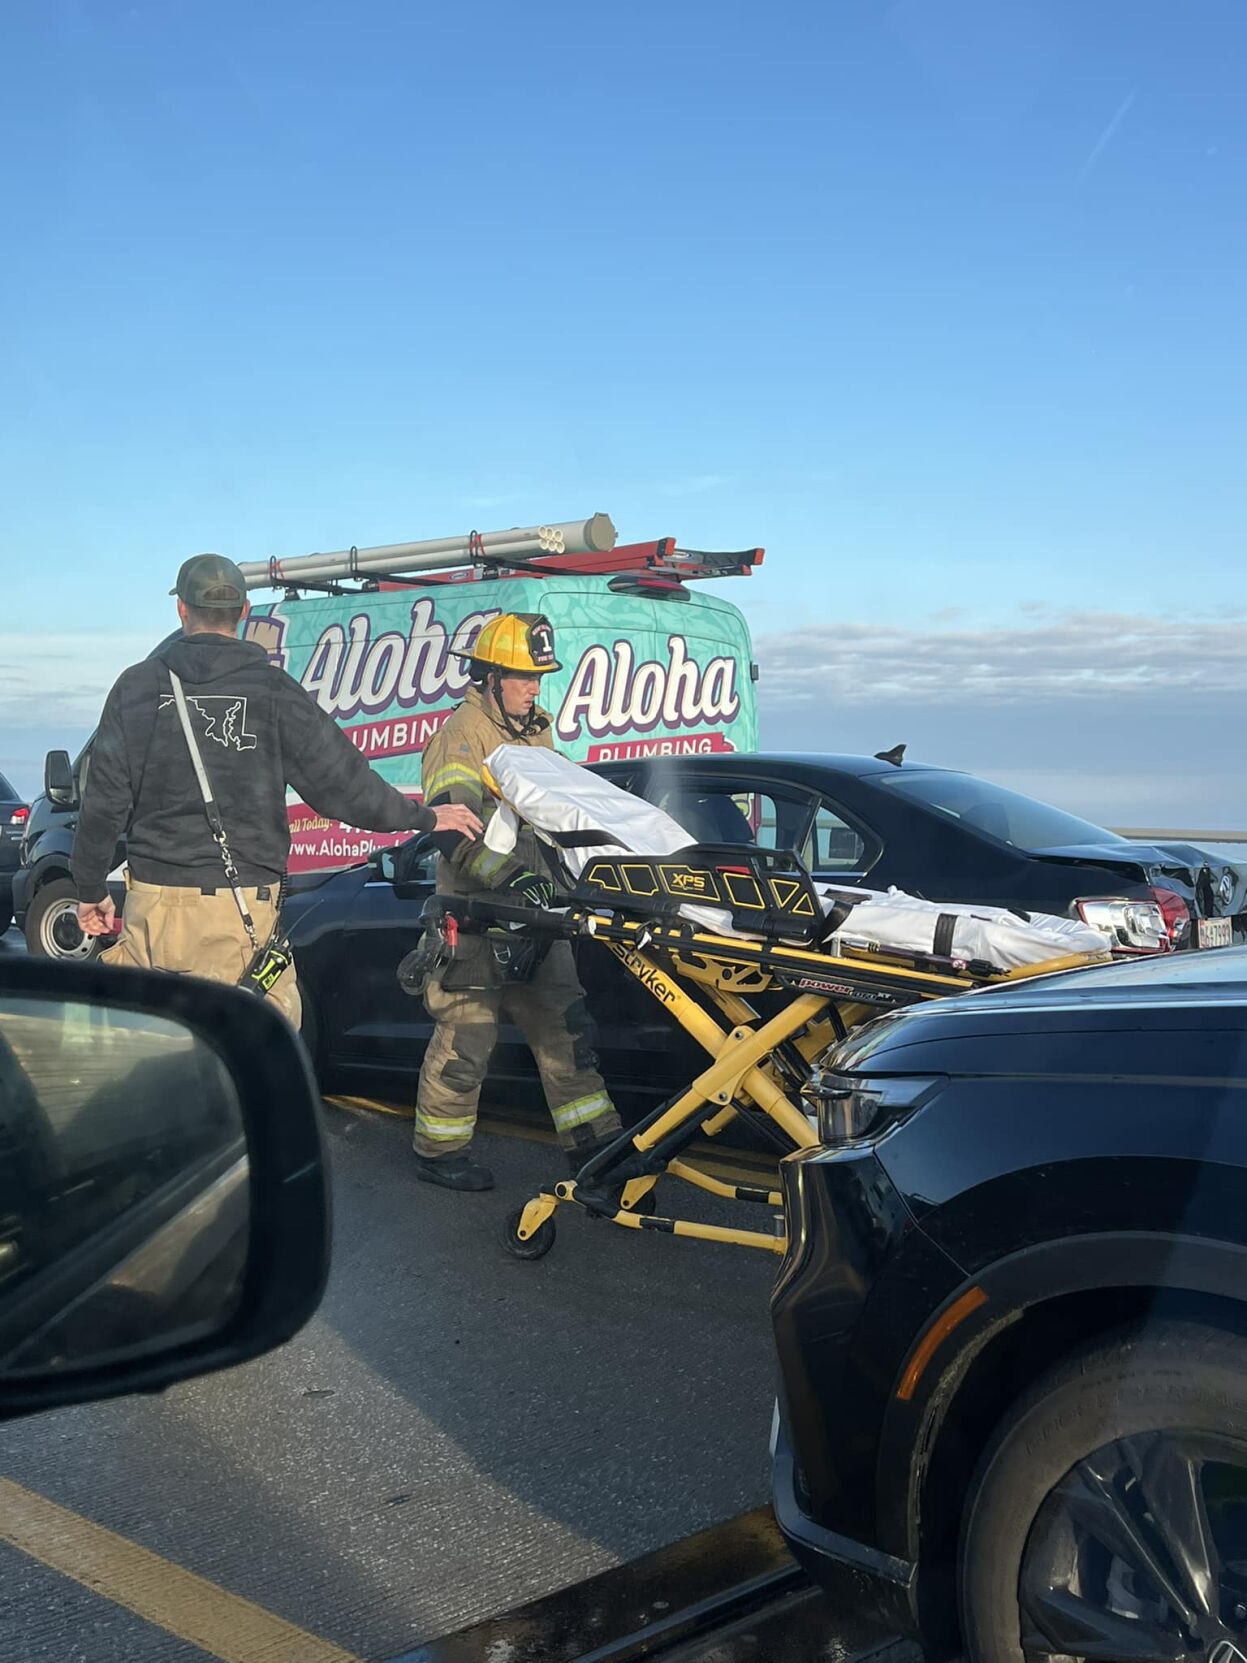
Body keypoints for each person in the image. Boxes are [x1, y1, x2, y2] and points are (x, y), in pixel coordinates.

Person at [72, 554, 482, 1024]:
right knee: (247, 1046)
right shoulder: (274, 690)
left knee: (152, 1045)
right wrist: (424, 817)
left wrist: (89, 888)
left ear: (182, 610)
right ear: (244, 613)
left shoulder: (136, 687)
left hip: (154, 903)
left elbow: (103, 804)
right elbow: (344, 785)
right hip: (242, 907)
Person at [412, 612, 622, 1191]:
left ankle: (598, 1155)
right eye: (524, 676)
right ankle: (438, 1153)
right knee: (466, 1043)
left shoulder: (535, 734)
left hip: (537, 917)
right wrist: (508, 879)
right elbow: (451, 833)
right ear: (488, 677)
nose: (535, 687)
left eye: (538, 677)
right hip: (479, 921)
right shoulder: (461, 737)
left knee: (566, 1033)